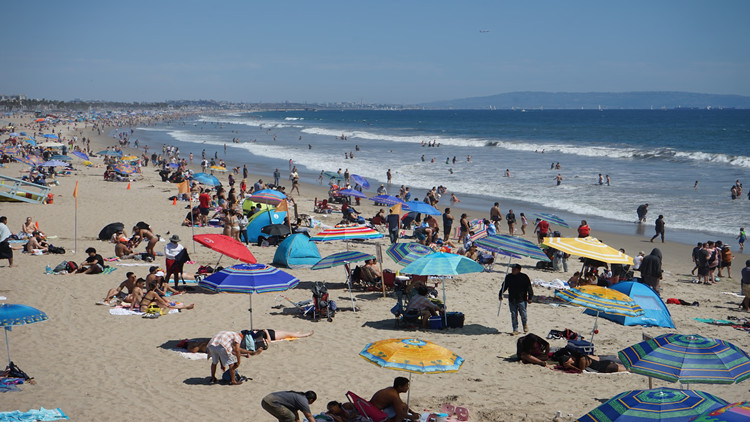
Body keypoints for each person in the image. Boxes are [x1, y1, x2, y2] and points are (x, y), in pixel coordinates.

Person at [499, 264, 534, 335]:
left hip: (522, 299)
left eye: (514, 269)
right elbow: (504, 286)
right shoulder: (509, 277)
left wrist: (530, 297)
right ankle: (515, 329)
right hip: (512, 299)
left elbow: (529, 287)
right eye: (512, 269)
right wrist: (500, 294)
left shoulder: (524, 277)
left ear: (519, 270)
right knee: (514, 315)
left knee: (523, 314)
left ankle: (525, 325)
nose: (513, 270)